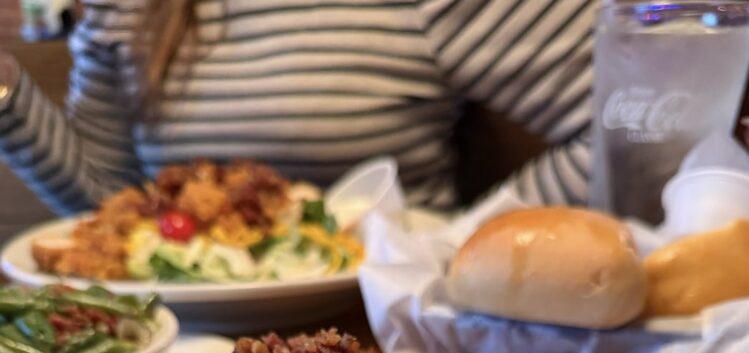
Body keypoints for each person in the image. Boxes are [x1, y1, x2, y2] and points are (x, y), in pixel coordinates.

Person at [0, 0, 597, 214]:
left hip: (391, 341)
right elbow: (112, 208)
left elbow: (639, 121)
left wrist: (470, 248)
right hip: (179, 350)